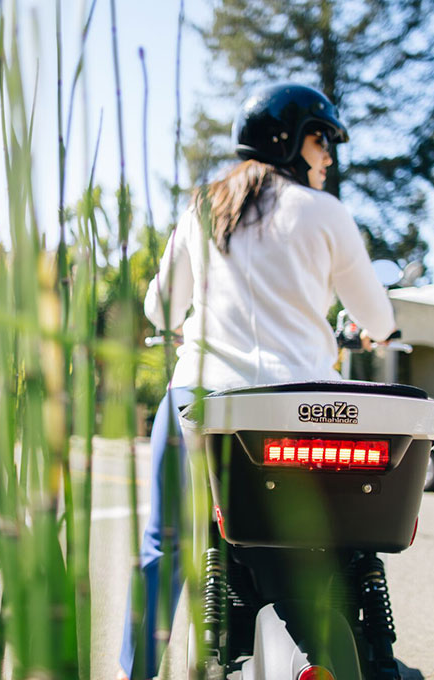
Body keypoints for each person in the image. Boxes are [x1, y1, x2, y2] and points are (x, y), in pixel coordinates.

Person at [117, 83, 396, 680]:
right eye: (323, 142)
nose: (327, 157)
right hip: (302, 407)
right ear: (294, 141)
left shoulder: (205, 206)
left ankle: (132, 673)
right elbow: (377, 319)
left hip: (202, 399)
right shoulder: (325, 212)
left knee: (165, 548)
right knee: (340, 543)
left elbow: (161, 310)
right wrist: (373, 334)